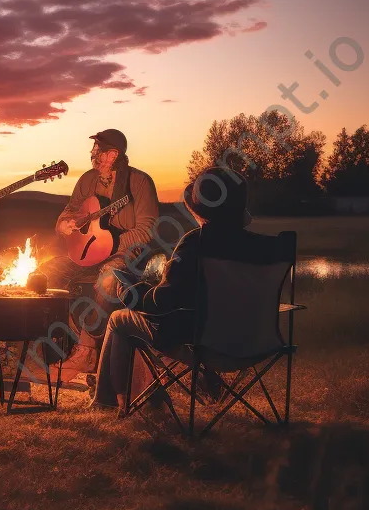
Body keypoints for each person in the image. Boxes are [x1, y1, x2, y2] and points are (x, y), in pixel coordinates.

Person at [92, 167, 268, 414]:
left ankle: (111, 402)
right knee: (147, 320)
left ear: (200, 212)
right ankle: (149, 397)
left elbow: (161, 304)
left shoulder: (195, 243)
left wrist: (131, 290)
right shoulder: (259, 247)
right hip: (254, 342)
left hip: (204, 344)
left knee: (119, 320)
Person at [42, 128, 159, 378]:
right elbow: (70, 211)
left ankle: (86, 351)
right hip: (87, 252)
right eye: (94, 149)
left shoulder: (139, 182)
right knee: (47, 273)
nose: (92, 154)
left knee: (108, 279)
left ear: (113, 154)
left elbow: (147, 229)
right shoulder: (87, 179)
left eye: (97, 150)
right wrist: (63, 224)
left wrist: (111, 245)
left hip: (124, 252)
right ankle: (59, 342)